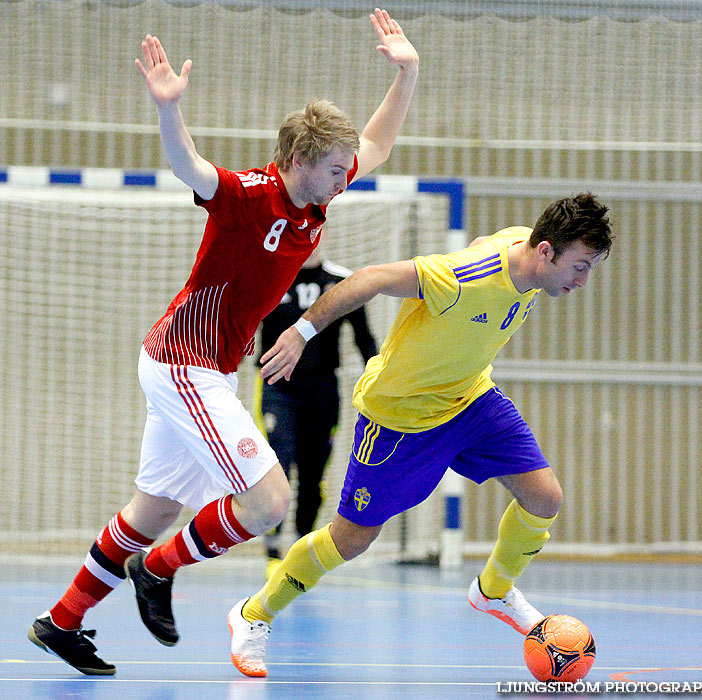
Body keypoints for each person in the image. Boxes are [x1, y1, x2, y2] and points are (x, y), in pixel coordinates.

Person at [27, 8, 419, 676]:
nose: (344, 178)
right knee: (267, 503)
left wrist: (408, 73)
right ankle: (157, 569)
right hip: (185, 363)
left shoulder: (318, 195)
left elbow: (376, 145)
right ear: (298, 160)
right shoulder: (249, 195)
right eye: (333, 169)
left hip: (200, 368)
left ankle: (60, 622)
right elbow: (190, 166)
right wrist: (168, 111)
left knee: (150, 509)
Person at [226, 193, 613, 678]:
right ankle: (254, 613)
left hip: (470, 400)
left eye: (590, 268)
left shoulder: (523, 245)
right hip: (400, 418)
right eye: (579, 266)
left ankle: (492, 591)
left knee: (544, 497)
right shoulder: (463, 275)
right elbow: (367, 279)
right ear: (545, 252)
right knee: (351, 539)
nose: (582, 280)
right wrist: (302, 332)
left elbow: (483, 241)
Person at [255, 243, 378, 575]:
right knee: (278, 464)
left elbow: (364, 340)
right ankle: (272, 553)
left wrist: (384, 382)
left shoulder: (341, 282)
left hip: (323, 390)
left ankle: (299, 551)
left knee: (313, 474)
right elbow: (244, 324)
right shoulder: (271, 276)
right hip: (277, 387)